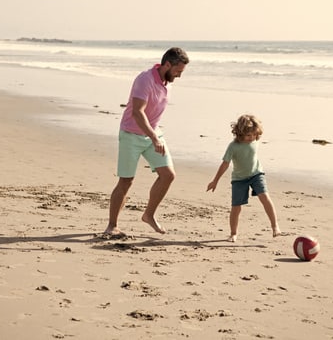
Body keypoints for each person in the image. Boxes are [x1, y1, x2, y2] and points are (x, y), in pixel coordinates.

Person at [103, 47, 189, 236]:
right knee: (126, 181)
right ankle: (112, 225)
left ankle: (149, 215)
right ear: (167, 64)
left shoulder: (167, 82)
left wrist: (154, 136)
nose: (179, 75)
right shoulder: (145, 80)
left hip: (153, 134)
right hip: (131, 134)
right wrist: (154, 137)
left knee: (168, 175)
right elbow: (137, 112)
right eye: (178, 71)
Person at [206, 114, 281, 242]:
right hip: (239, 179)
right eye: (248, 135)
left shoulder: (255, 139)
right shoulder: (233, 146)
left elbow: (257, 132)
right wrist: (215, 181)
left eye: (253, 134)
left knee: (265, 197)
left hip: (256, 174)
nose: (251, 138)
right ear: (239, 133)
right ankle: (233, 233)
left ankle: (275, 227)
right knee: (236, 207)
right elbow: (225, 164)